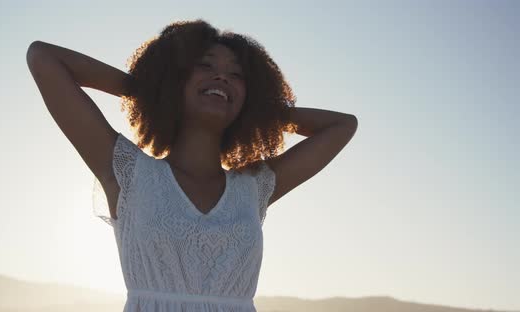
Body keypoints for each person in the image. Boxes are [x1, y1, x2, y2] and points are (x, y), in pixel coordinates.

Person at [27, 19, 357, 312]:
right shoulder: (130, 173)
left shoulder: (254, 188)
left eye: (237, 75)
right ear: (175, 80)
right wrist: (152, 90)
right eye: (205, 65)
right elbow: (44, 57)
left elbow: (342, 126)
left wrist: (255, 111)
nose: (221, 76)